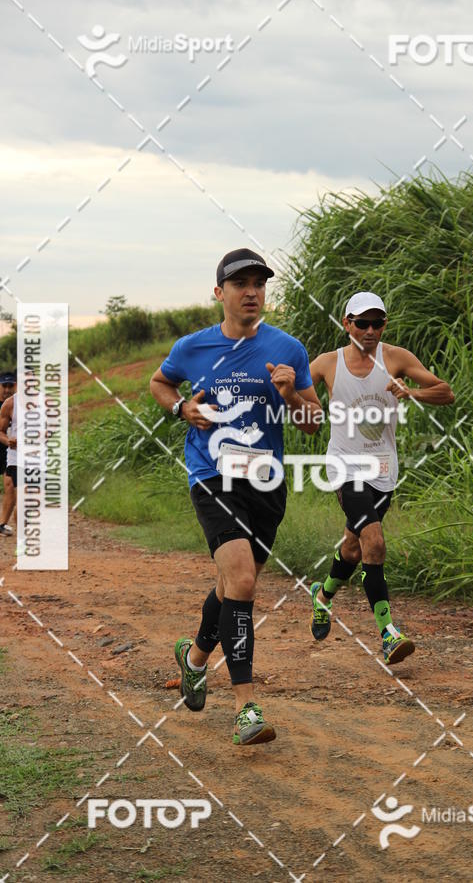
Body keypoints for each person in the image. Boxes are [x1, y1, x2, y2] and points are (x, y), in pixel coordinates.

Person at [150, 248, 321, 745]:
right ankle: (246, 707)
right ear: (219, 292)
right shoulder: (192, 347)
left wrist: (291, 396)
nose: (251, 292)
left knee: (232, 587)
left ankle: (194, 658)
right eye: (240, 284)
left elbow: (312, 424)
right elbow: (160, 383)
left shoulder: (288, 348)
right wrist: (181, 408)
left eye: (259, 284)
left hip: (266, 482)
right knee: (243, 579)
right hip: (212, 474)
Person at [308, 291, 454, 665]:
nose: (370, 330)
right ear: (347, 324)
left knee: (353, 548)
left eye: (377, 323)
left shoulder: (396, 358)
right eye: (362, 323)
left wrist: (412, 391)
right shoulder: (327, 363)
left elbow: (445, 392)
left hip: (383, 471)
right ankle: (388, 634)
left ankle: (322, 596)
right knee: (374, 542)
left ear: (384, 325)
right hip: (344, 468)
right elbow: (295, 395)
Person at [0, 371, 16, 536]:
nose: (7, 389)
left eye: (10, 386)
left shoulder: (17, 404)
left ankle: (2, 523)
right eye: (4, 386)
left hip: (9, 450)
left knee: (10, 485)